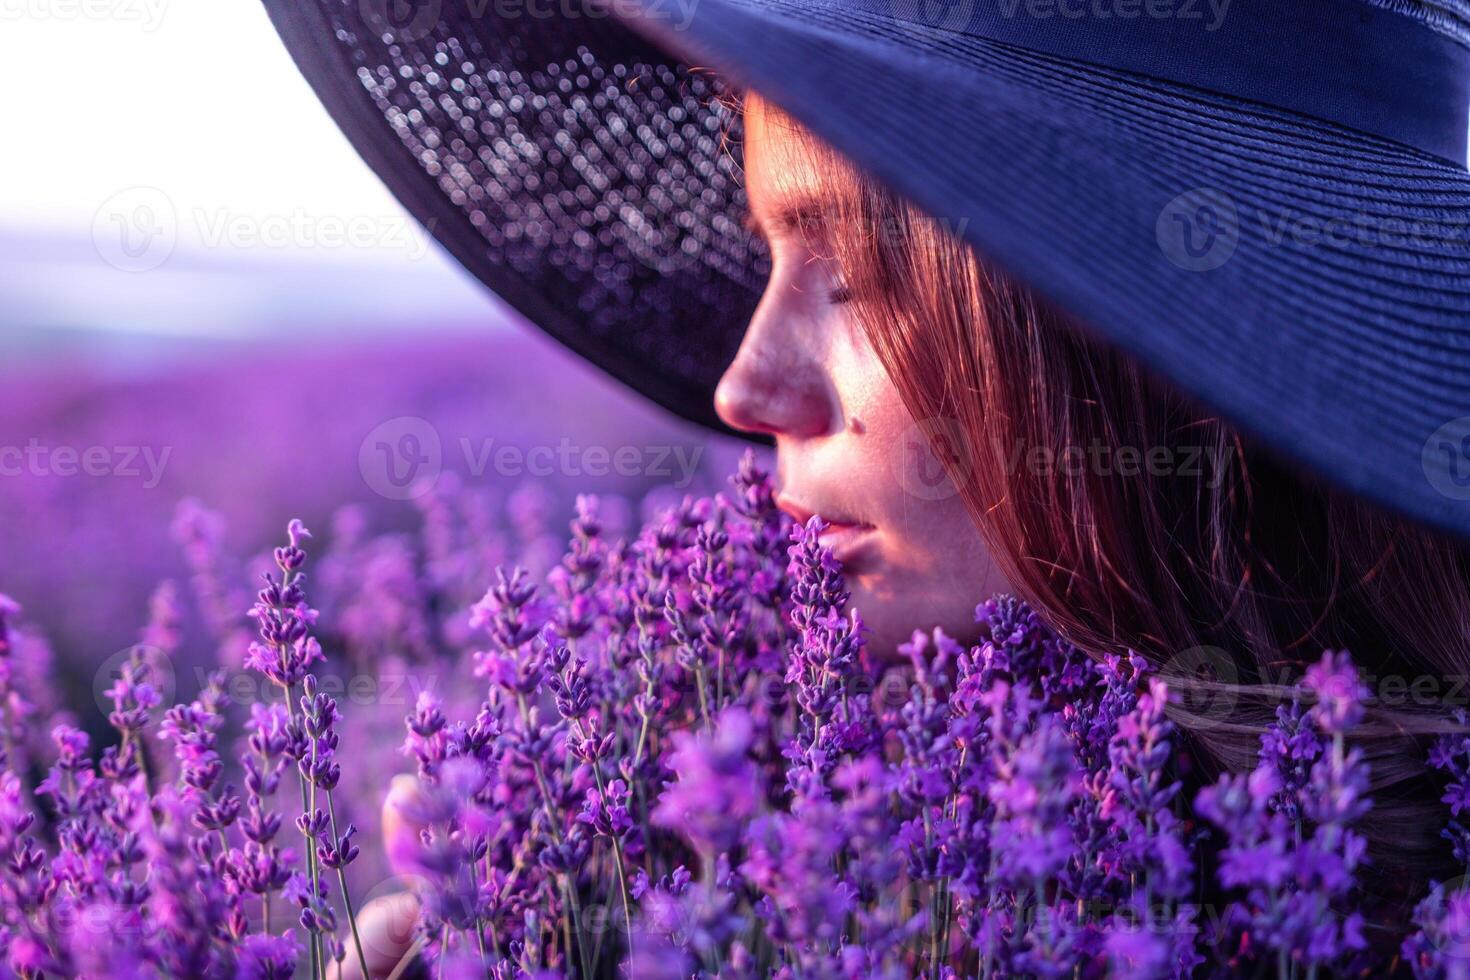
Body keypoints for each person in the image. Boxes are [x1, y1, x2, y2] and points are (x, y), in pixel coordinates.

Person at [266, 0, 1470, 973]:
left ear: (1139, 347)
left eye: (856, 272)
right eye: (770, 255)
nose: (744, 385)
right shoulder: (774, 837)